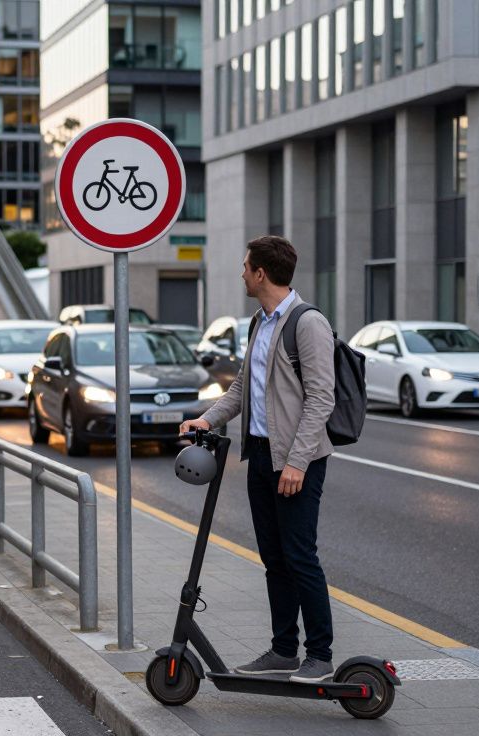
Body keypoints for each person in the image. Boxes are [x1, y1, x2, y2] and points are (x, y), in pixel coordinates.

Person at [180, 235, 338, 684]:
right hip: (262, 455)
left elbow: (321, 399)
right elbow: (241, 388)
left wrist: (298, 462)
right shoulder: (259, 322)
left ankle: (320, 655)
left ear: (261, 273)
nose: (242, 272)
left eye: (245, 265)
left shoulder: (307, 324)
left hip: (295, 461)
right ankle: (284, 650)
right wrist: (205, 420)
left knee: (300, 555)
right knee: (275, 558)